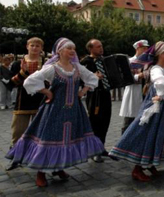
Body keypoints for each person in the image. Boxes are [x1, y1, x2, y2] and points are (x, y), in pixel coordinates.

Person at [6, 38, 104, 187]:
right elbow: (29, 81)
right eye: (68, 48)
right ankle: (41, 172)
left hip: (73, 111)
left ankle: (58, 168)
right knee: (49, 139)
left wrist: (83, 90)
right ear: (59, 52)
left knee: (65, 139)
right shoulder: (53, 68)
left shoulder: (77, 68)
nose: (72, 51)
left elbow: (92, 78)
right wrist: (47, 92)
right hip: (54, 111)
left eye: (73, 49)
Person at [110, 42, 164, 182]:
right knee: (148, 131)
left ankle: (150, 163)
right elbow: (160, 83)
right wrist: (161, 94)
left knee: (160, 133)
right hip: (156, 106)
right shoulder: (156, 69)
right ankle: (137, 168)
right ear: (160, 55)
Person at [7, 38, 45, 148]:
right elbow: (11, 84)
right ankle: (15, 153)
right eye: (32, 45)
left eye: (37, 46)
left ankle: (36, 154)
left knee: (39, 131)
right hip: (22, 101)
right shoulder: (17, 63)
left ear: (41, 48)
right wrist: (23, 73)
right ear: (27, 46)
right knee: (18, 131)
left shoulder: (46, 63)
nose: (34, 48)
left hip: (41, 100)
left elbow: (50, 82)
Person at [80, 39, 113, 163]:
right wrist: (93, 77)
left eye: (101, 45)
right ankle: (93, 150)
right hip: (94, 96)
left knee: (105, 120)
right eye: (98, 46)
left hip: (105, 94)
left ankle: (101, 147)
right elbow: (80, 79)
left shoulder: (104, 60)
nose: (101, 48)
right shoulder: (85, 62)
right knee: (95, 122)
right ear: (91, 49)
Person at [119, 40, 150, 134]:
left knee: (143, 119)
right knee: (129, 119)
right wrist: (138, 76)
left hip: (146, 91)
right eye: (144, 48)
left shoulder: (148, 62)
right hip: (133, 91)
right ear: (138, 48)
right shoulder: (130, 61)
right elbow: (124, 77)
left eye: (147, 48)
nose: (146, 50)